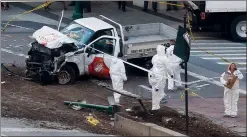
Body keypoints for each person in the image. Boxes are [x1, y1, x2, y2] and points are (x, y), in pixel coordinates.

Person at [150, 45, 173, 110]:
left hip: (154, 75)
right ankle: (156, 106)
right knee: (159, 91)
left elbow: (152, 63)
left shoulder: (155, 57)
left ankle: (155, 106)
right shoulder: (164, 58)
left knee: (154, 92)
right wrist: (171, 74)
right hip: (161, 76)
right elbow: (168, 68)